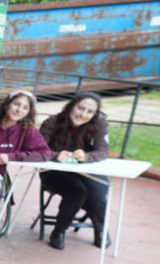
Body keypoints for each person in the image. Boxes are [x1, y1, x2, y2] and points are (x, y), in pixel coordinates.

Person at [0, 90, 51, 251]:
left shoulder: (26, 130)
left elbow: (44, 154)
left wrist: (12, 156)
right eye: (16, 104)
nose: (19, 110)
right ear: (7, 104)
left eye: (25, 108)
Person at [38, 93, 111, 250]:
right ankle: (59, 231)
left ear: (94, 114)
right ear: (72, 105)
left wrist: (87, 156)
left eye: (90, 112)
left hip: (87, 169)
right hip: (54, 171)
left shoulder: (99, 124)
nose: (83, 114)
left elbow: (103, 151)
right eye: (80, 108)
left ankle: (100, 229)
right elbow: (38, 149)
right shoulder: (52, 121)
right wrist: (56, 155)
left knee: (97, 193)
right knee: (78, 192)